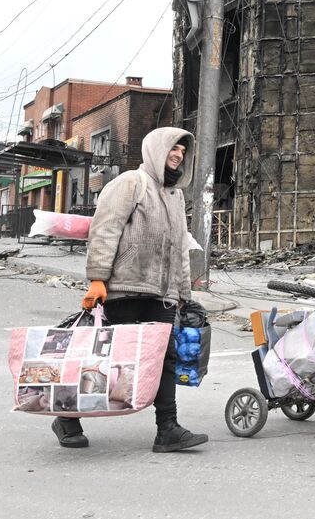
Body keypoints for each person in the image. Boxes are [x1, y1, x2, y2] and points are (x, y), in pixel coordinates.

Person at [58, 127, 208, 452]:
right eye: (173, 148)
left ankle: (167, 429)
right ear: (156, 149)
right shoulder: (130, 183)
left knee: (166, 358)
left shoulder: (176, 196)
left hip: (162, 293)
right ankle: (67, 417)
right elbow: (105, 230)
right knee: (109, 359)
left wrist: (183, 294)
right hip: (124, 288)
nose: (179, 155)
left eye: (183, 151)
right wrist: (97, 278)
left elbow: (180, 247)